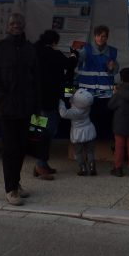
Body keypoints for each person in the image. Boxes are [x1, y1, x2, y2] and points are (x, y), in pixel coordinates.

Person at [0, 13, 38, 206]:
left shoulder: (30, 49)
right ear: (8, 26)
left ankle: (16, 182)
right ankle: (10, 189)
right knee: (10, 149)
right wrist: (2, 99)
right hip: (6, 109)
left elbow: (35, 77)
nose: (16, 26)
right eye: (13, 23)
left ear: (24, 26)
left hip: (25, 108)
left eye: (19, 23)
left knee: (22, 147)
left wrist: (34, 103)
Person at [33, 28, 77, 180]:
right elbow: (70, 66)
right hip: (49, 100)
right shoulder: (54, 54)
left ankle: (41, 163)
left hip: (34, 101)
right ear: (53, 42)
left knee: (38, 131)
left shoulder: (33, 52)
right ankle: (40, 164)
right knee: (48, 131)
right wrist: (73, 55)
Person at [76, 24, 119, 140]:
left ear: (107, 38)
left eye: (104, 36)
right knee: (87, 122)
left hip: (104, 96)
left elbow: (115, 70)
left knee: (103, 121)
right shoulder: (85, 50)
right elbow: (77, 60)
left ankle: (103, 144)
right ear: (94, 37)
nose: (101, 39)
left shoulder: (112, 52)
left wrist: (112, 68)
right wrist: (75, 56)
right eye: (98, 36)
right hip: (87, 95)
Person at [59, 88, 97, 176]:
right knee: (90, 151)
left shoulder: (74, 112)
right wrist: (72, 92)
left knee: (78, 152)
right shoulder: (87, 106)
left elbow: (63, 114)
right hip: (89, 131)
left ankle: (82, 168)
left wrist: (60, 102)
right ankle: (92, 167)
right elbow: (78, 98)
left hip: (78, 134)